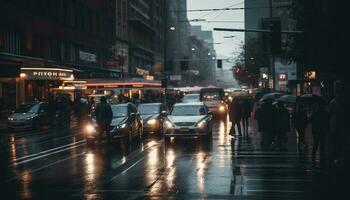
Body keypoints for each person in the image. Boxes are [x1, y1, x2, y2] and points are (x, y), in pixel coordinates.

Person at [310, 100, 329, 167]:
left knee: (316, 145)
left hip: (316, 131)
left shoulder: (316, 113)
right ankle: (322, 158)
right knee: (322, 145)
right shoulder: (326, 113)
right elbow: (327, 123)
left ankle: (313, 159)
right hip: (322, 131)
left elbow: (310, 120)